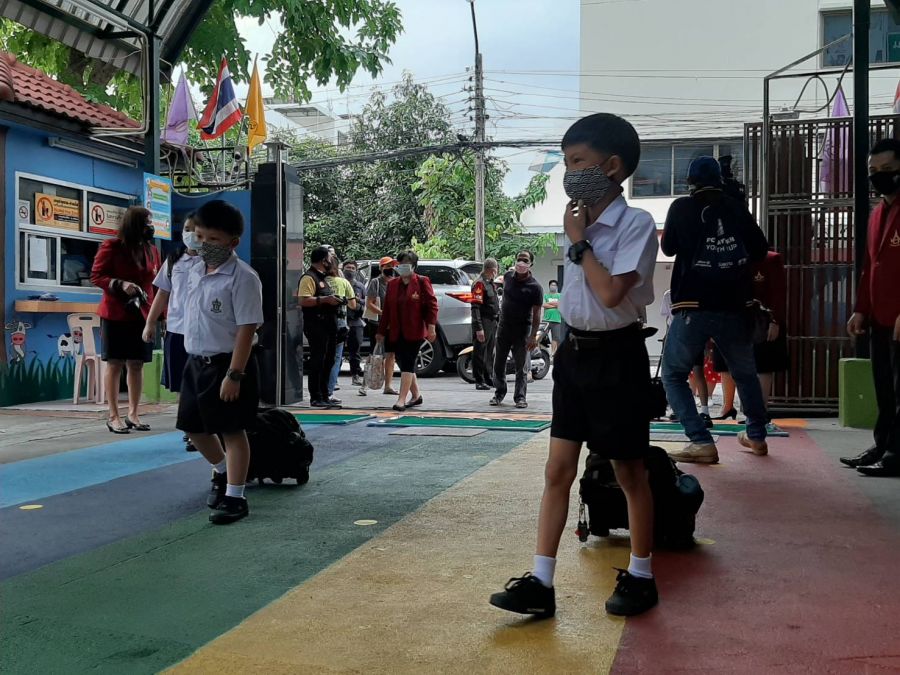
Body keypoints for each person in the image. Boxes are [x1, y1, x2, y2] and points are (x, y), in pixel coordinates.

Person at [489, 112, 660, 618]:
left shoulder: (635, 225)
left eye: (577, 161)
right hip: (573, 355)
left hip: (618, 356)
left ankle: (642, 575)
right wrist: (577, 235)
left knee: (630, 471)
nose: (569, 172)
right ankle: (540, 582)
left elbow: (610, 294)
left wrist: (580, 242)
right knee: (557, 469)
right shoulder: (576, 220)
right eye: (565, 163)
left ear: (612, 167)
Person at [660, 156, 770, 464]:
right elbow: (760, 249)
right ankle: (756, 435)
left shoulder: (681, 207)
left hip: (692, 305)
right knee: (745, 374)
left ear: (690, 182)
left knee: (673, 374)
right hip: (735, 305)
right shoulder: (736, 207)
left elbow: (668, 247)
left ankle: (700, 441)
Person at [176, 199, 263, 525]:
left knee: (232, 431)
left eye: (213, 239)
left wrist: (234, 374)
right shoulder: (194, 270)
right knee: (193, 428)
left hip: (228, 364)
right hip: (196, 362)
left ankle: (236, 498)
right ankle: (225, 472)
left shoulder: (243, 277)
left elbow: (246, 329)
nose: (204, 244)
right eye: (201, 237)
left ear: (232, 242)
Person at [843, 138, 900, 477]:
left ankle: (896, 454)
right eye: (873, 170)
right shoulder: (878, 213)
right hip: (879, 316)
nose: (879, 176)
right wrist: (860, 309)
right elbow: (869, 266)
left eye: (888, 169)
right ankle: (882, 445)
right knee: (884, 386)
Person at [91, 206, 161, 434]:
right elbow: (96, 276)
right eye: (146, 222)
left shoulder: (152, 250)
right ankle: (113, 416)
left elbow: (157, 284)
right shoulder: (112, 246)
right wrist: (120, 284)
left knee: (137, 363)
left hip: (142, 314)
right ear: (134, 224)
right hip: (116, 313)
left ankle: (133, 413)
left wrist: (159, 315)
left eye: (151, 222)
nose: (150, 227)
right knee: (115, 363)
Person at [143, 214, 201, 452]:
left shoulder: (213, 261)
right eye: (187, 228)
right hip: (177, 330)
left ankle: (202, 429)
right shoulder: (174, 260)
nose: (191, 234)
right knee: (182, 384)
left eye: (196, 230)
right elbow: (162, 293)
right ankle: (190, 429)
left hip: (203, 332)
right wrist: (150, 323)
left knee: (200, 382)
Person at [712, 248, 788, 419]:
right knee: (725, 361)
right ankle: (727, 406)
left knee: (763, 364)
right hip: (731, 317)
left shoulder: (771, 259)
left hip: (762, 319)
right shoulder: (727, 256)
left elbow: (779, 293)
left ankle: (759, 411)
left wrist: (775, 320)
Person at [376, 251, 438, 411]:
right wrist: (381, 331)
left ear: (414, 266)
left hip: (414, 330)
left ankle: (401, 399)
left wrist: (431, 327)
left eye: (407, 264)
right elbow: (387, 310)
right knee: (403, 362)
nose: (403, 267)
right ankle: (416, 396)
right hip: (396, 330)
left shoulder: (422, 282)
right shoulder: (393, 284)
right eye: (401, 264)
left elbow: (432, 305)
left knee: (409, 362)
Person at [490, 251, 543, 409]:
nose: (521, 262)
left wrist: (533, 336)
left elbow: (537, 314)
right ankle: (499, 393)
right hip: (504, 328)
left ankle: (520, 397)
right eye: (519, 259)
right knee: (498, 363)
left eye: (525, 260)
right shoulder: (507, 277)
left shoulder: (535, 287)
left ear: (531, 264)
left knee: (521, 366)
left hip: (522, 330)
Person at [298, 246, 342, 408]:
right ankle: (315, 397)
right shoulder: (309, 278)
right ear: (324, 260)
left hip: (329, 325)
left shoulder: (323, 278)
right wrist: (325, 300)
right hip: (316, 326)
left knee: (328, 360)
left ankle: (324, 395)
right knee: (318, 360)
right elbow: (303, 300)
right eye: (330, 258)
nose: (332, 261)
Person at [363, 257, 398, 396]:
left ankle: (388, 386)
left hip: (392, 324)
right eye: (387, 266)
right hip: (377, 323)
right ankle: (365, 384)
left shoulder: (396, 282)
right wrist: (384, 313)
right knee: (375, 354)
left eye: (392, 266)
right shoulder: (375, 282)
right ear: (381, 268)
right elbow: (369, 303)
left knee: (391, 354)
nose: (390, 268)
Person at [326, 254, 358, 400]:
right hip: (339, 324)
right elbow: (353, 305)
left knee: (321, 356)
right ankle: (329, 391)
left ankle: (319, 391)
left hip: (321, 323)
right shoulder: (343, 282)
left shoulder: (319, 281)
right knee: (336, 358)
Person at [471, 258, 500, 391]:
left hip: (492, 321)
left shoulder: (490, 283)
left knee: (489, 352)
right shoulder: (479, 284)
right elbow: (475, 307)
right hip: (483, 321)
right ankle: (479, 380)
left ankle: (488, 377)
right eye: (496, 270)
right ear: (492, 270)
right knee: (480, 351)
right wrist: (479, 328)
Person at [343, 260, 367, 387]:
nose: (350, 270)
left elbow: (366, 302)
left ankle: (356, 375)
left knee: (355, 350)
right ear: (343, 269)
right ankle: (333, 378)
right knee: (337, 351)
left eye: (353, 268)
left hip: (356, 321)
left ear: (356, 271)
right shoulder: (339, 283)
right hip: (341, 320)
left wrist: (357, 302)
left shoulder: (360, 286)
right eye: (348, 267)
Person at [543, 279, 562, 357]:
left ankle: (553, 353)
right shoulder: (545, 295)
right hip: (546, 320)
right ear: (549, 286)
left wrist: (549, 304)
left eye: (554, 285)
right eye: (551, 285)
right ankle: (543, 352)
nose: (553, 286)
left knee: (555, 337)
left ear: (557, 287)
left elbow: (560, 304)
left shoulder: (560, 295)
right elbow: (544, 305)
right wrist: (555, 305)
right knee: (542, 336)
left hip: (556, 319)